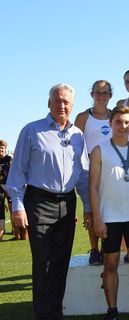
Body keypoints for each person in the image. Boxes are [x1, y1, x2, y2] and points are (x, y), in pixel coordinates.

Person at [7, 84, 91, 319]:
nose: (61, 105)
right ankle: (44, 313)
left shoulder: (78, 135)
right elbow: (18, 172)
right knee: (43, 261)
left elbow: (83, 175)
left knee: (60, 262)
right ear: (48, 103)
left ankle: (55, 312)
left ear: (72, 106)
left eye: (66, 102)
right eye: (57, 100)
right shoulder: (31, 131)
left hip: (67, 203)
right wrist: (17, 206)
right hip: (39, 202)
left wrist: (89, 207)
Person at [90, 106, 129, 320]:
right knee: (111, 262)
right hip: (109, 216)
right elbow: (93, 186)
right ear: (110, 123)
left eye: (128, 122)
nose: (123, 126)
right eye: (119, 122)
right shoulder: (99, 150)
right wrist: (97, 219)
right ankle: (112, 310)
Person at [75, 79, 113, 265]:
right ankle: (94, 250)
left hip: (111, 167)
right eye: (98, 92)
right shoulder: (83, 117)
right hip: (90, 168)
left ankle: (107, 247)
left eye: (105, 93)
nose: (101, 96)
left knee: (107, 209)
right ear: (92, 95)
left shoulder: (115, 115)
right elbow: (76, 147)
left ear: (110, 96)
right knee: (91, 209)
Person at [0, 140, 14, 240]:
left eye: (2, 148)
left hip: (9, 186)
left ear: (5, 149)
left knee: (11, 208)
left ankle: (14, 229)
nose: (0, 149)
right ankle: (2, 229)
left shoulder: (9, 159)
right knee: (1, 209)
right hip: (0, 187)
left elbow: (13, 173)